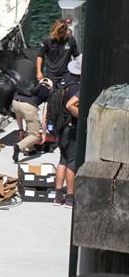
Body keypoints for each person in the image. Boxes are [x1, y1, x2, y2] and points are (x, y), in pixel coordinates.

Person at [53, 54, 82, 208]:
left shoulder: (63, 83)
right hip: (72, 130)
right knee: (72, 163)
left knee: (62, 161)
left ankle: (58, 196)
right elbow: (70, 105)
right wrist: (82, 115)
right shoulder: (78, 88)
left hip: (61, 128)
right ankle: (70, 198)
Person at [12, 77, 53, 162]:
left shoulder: (29, 86)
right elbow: (44, 115)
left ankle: (29, 149)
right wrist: (44, 133)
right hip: (28, 107)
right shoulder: (48, 92)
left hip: (15, 103)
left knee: (30, 124)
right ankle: (19, 146)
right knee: (35, 136)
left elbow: (18, 115)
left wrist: (20, 129)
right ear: (50, 87)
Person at [36, 19, 78, 83]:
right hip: (51, 75)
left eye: (64, 32)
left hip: (66, 75)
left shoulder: (70, 39)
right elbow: (40, 56)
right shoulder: (47, 40)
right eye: (60, 32)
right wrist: (39, 72)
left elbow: (76, 56)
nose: (62, 34)